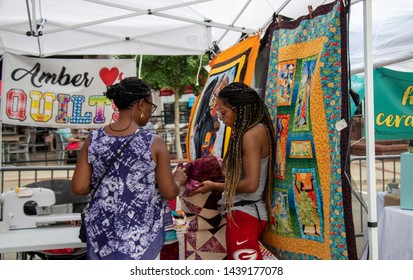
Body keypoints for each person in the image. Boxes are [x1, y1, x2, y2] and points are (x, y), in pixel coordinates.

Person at [71, 77, 187, 260]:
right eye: (151, 105)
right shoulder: (153, 143)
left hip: (101, 237)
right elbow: (169, 191)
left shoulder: (93, 139)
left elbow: (79, 187)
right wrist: (179, 178)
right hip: (140, 240)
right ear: (141, 104)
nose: (150, 111)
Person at [195, 82, 276, 260]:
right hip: (244, 214)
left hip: (245, 216)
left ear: (238, 109)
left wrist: (215, 186)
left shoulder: (251, 135)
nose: (221, 118)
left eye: (223, 112)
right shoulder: (252, 131)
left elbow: (251, 184)